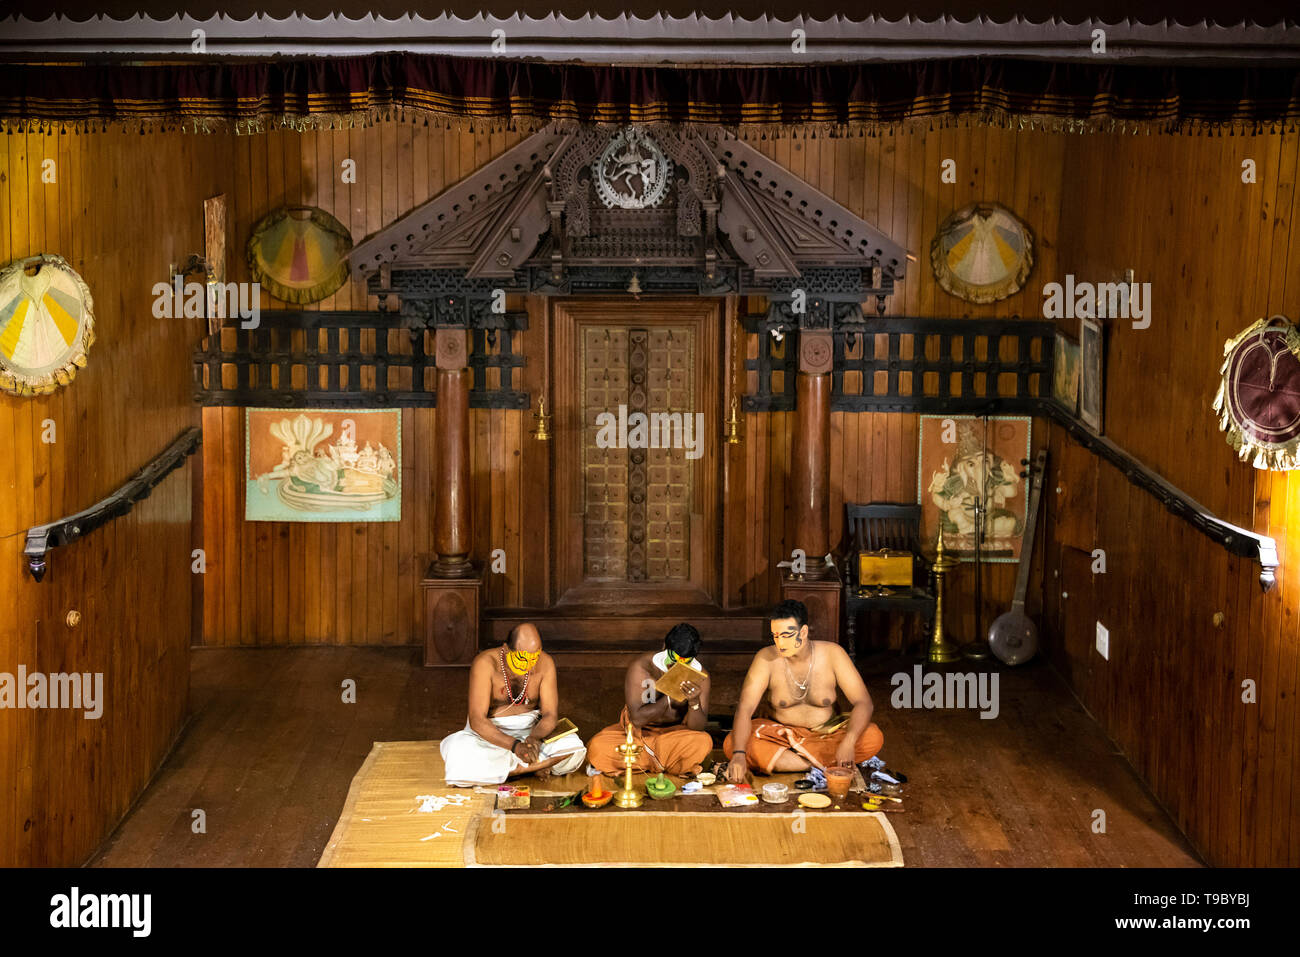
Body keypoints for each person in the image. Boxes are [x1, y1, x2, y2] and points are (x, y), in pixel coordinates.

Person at [724, 599, 883, 782]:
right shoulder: (765, 658)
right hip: (780, 736)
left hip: (826, 735)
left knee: (872, 736)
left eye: (786, 635)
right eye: (775, 635)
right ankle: (818, 765)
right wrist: (738, 754)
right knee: (732, 744)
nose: (779, 642)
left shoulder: (833, 654)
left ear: (804, 632)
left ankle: (791, 762)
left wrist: (848, 742)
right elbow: (745, 708)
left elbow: (863, 702)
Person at [440, 623, 587, 786]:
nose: (529, 665)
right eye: (523, 658)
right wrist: (515, 746)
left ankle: (509, 770)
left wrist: (534, 739)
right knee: (458, 751)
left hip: (531, 731)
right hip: (491, 735)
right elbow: (477, 720)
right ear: (506, 649)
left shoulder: (545, 663)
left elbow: (550, 714)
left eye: (534, 657)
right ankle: (531, 767)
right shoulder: (485, 663)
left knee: (574, 747)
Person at [586, 623, 713, 778]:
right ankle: (671, 764)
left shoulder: (700, 676)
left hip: (673, 736)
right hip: (638, 735)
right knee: (598, 747)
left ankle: (641, 763)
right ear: (664, 646)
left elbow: (697, 727)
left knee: (703, 741)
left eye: (685, 661)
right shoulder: (643, 667)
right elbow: (637, 720)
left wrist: (694, 702)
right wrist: (668, 697)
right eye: (674, 658)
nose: (676, 665)